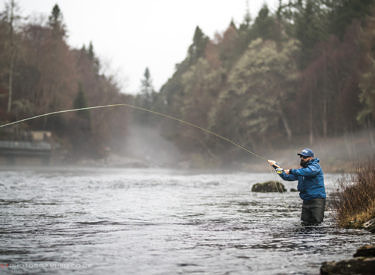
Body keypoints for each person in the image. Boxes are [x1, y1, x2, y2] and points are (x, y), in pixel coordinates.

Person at [268, 148, 326, 225]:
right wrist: (276, 167)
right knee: (304, 224)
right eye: (301, 156)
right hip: (306, 201)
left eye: (304, 157)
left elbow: (309, 172)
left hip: (317, 201)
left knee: (317, 225)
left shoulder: (315, 167)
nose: (302, 158)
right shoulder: (301, 171)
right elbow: (286, 176)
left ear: (311, 158)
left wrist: (291, 171)